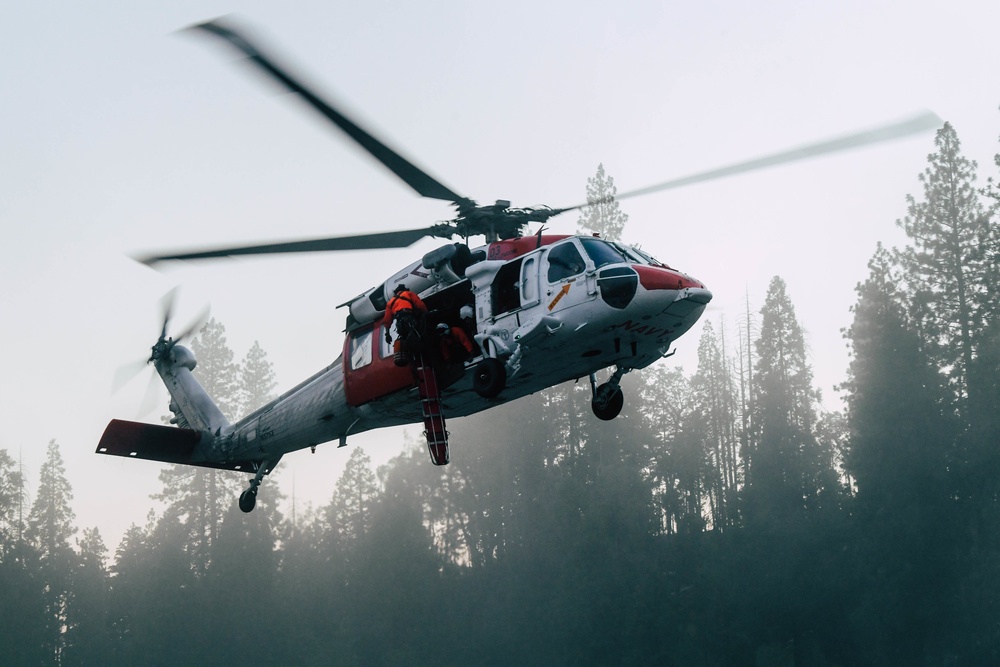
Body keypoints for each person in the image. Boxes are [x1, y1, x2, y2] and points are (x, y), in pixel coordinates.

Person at [383, 284, 427, 365]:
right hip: (409, 320)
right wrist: (426, 313)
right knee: (420, 337)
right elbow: (420, 305)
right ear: (405, 289)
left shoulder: (390, 302)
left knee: (406, 341)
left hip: (400, 325)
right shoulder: (409, 293)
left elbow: (387, 320)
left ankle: (414, 361)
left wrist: (387, 334)